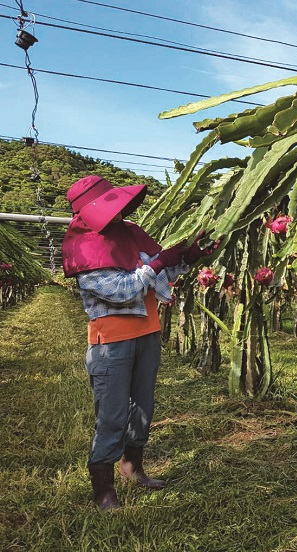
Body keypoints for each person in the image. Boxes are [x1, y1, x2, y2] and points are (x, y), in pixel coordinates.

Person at [61, 175, 213, 510]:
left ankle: (133, 467)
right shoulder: (83, 247)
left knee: (142, 407)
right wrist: (158, 262)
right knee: (113, 414)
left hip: (147, 333)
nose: (116, 214)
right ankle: (103, 491)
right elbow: (124, 290)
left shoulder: (129, 233)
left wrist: (188, 257)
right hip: (110, 342)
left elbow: (160, 275)